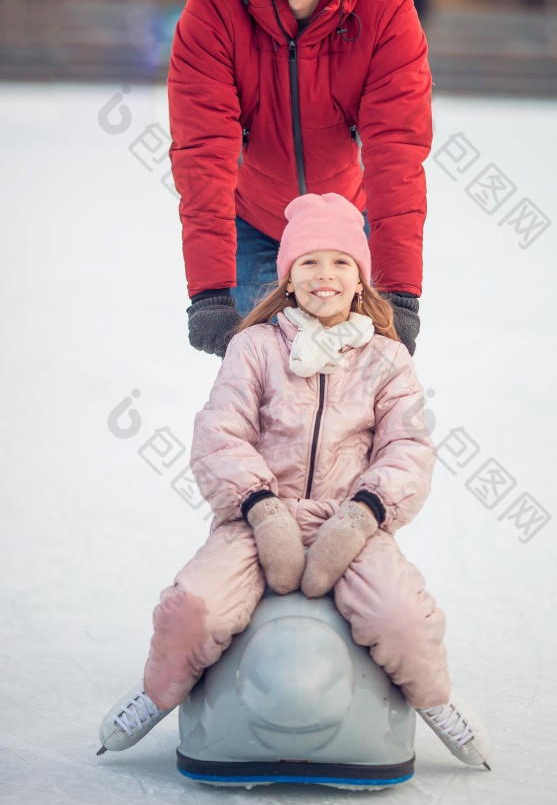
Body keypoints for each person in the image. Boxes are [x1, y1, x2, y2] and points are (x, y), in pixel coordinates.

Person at [98, 194, 491, 770]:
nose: (324, 275)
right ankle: (157, 694)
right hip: (256, 518)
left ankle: (435, 703)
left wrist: (361, 516)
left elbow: (408, 448)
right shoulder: (254, 347)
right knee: (193, 606)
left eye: (340, 262)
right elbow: (219, 432)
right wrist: (259, 508)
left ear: (360, 279)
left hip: (352, 523)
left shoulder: (387, 359)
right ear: (286, 278)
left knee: (402, 614)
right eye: (308, 262)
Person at [169, 0, 433, 359]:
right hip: (252, 222)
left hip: (344, 224)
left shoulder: (386, 6)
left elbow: (396, 149)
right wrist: (209, 291)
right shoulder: (211, 9)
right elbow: (203, 151)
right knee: (266, 397)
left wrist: (399, 290)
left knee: (352, 401)